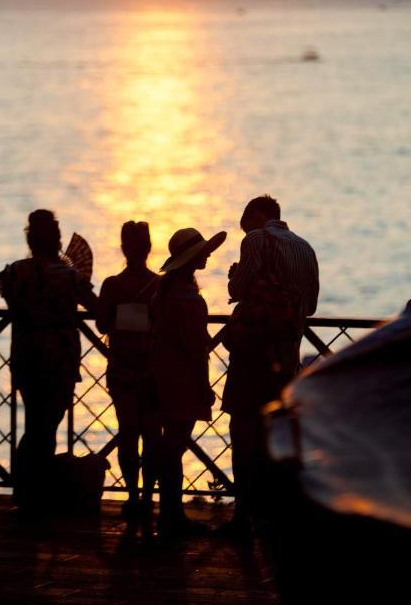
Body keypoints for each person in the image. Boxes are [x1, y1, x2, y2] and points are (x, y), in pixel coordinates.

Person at [221, 194, 319, 537]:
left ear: (256, 216)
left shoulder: (256, 239)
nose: (244, 234)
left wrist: (236, 277)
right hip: (287, 353)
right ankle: (274, 514)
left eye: (244, 225)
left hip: (252, 352)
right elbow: (311, 305)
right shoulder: (305, 248)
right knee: (275, 433)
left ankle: (242, 516)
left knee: (242, 429)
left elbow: (239, 287)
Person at [0, 209, 97, 514]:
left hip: (26, 356)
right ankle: (33, 493)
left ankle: (27, 491)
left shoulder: (15, 272)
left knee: (35, 422)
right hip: (59, 358)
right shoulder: (68, 276)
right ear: (57, 240)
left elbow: (13, 301)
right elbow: (96, 306)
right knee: (46, 426)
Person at [153, 226, 226, 537]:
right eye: (203, 252)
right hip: (183, 381)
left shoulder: (164, 293)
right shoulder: (190, 300)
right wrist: (204, 386)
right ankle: (172, 516)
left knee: (171, 447)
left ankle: (169, 513)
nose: (208, 255)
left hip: (163, 376)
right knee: (174, 448)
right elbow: (196, 350)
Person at [96, 221, 160, 523]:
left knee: (128, 432)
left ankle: (133, 494)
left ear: (123, 248)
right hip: (151, 368)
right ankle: (147, 494)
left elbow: (101, 324)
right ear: (149, 248)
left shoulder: (112, 285)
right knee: (151, 434)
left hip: (121, 367)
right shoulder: (159, 285)